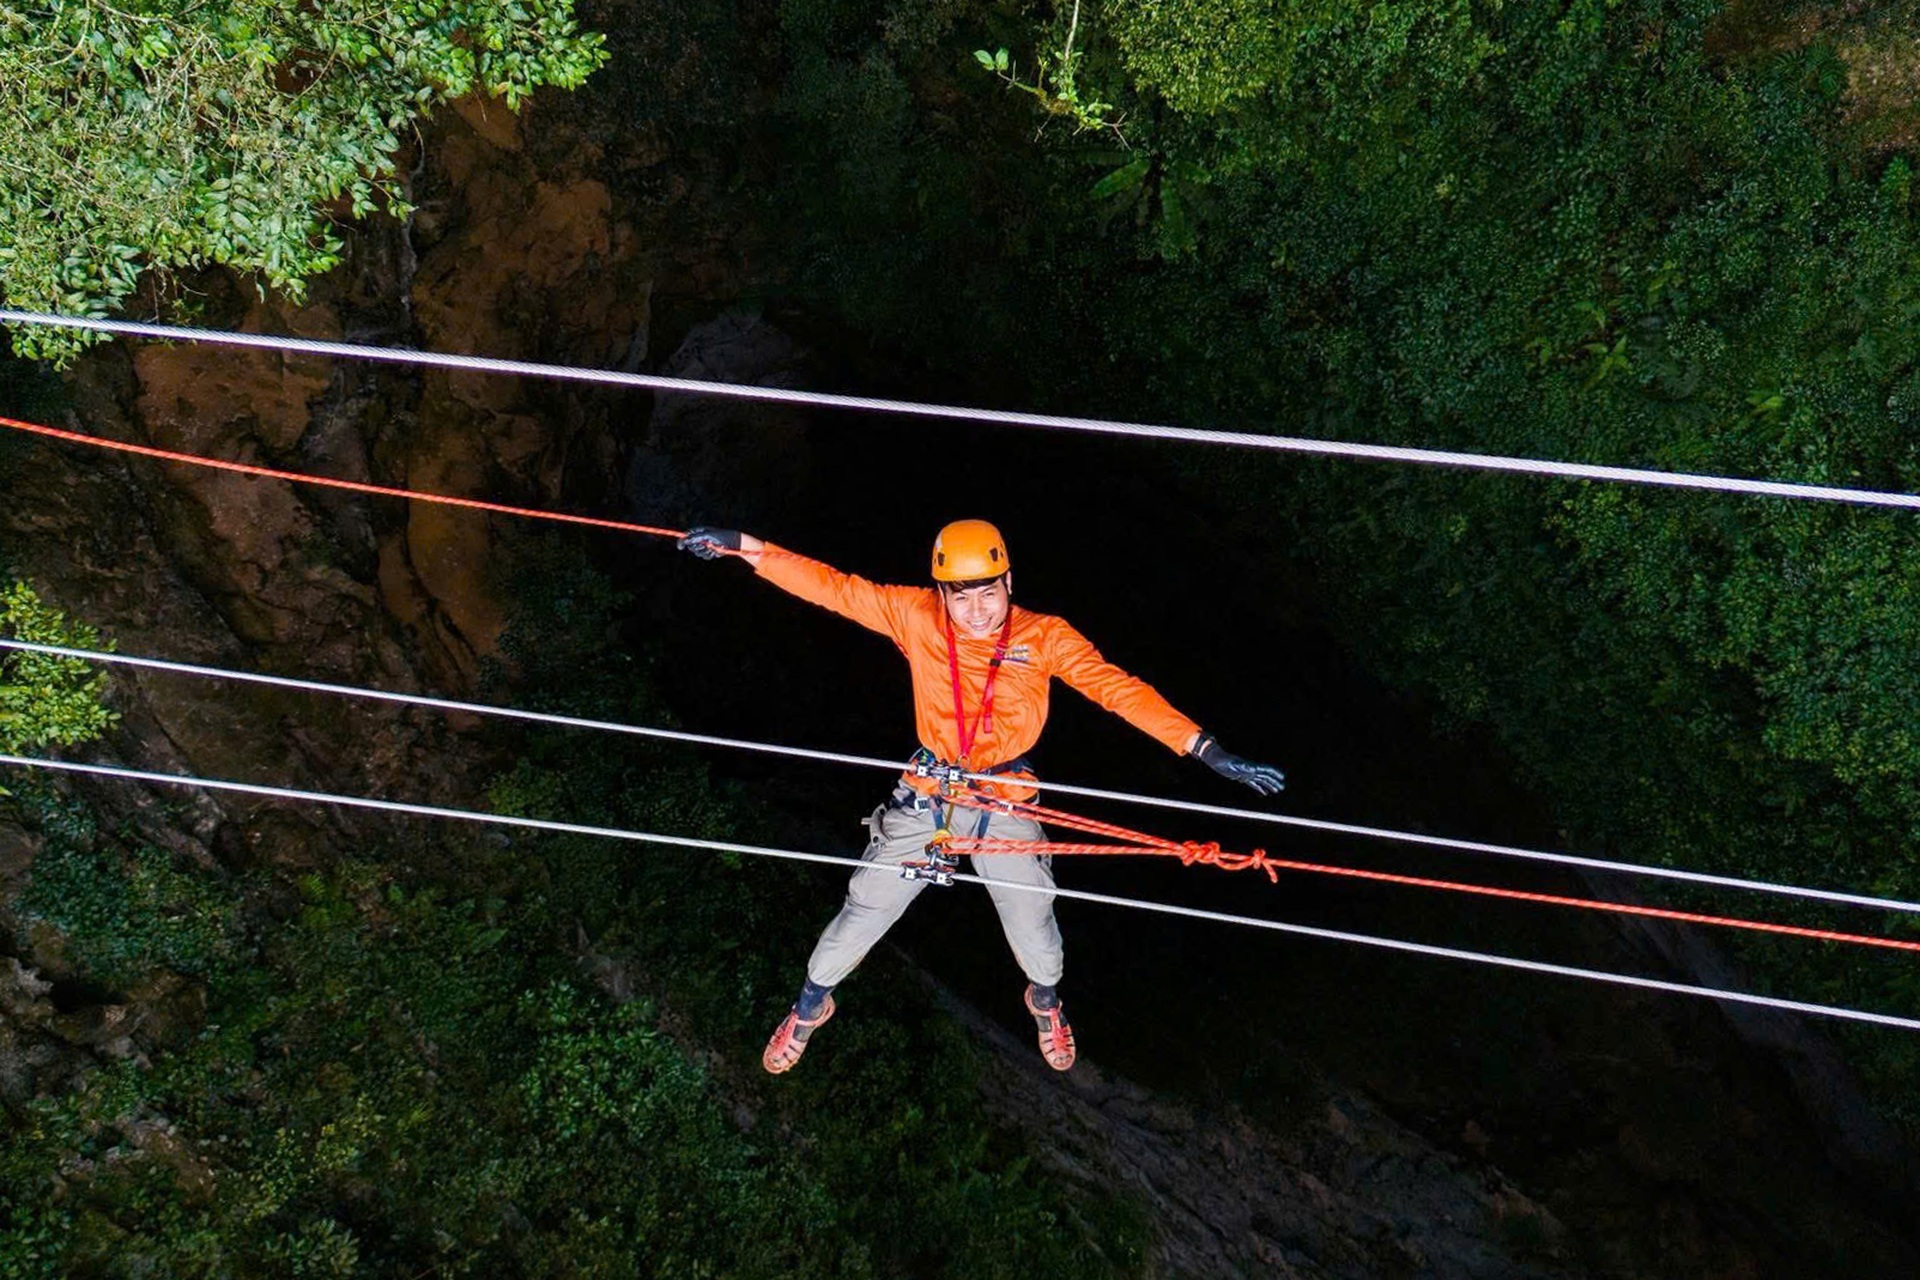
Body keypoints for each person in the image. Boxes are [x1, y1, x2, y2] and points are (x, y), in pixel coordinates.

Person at [679, 520, 1284, 1074]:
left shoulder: (1044, 636)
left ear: (1009, 582)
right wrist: (745, 548)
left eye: (987, 593)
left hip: (1005, 794)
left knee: (1036, 930)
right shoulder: (915, 616)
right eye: (959, 596)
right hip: (929, 789)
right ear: (940, 593)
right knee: (862, 912)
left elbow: (1116, 689)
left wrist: (1204, 748)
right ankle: (809, 1007)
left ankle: (1044, 999)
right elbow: (833, 588)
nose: (974, 611)